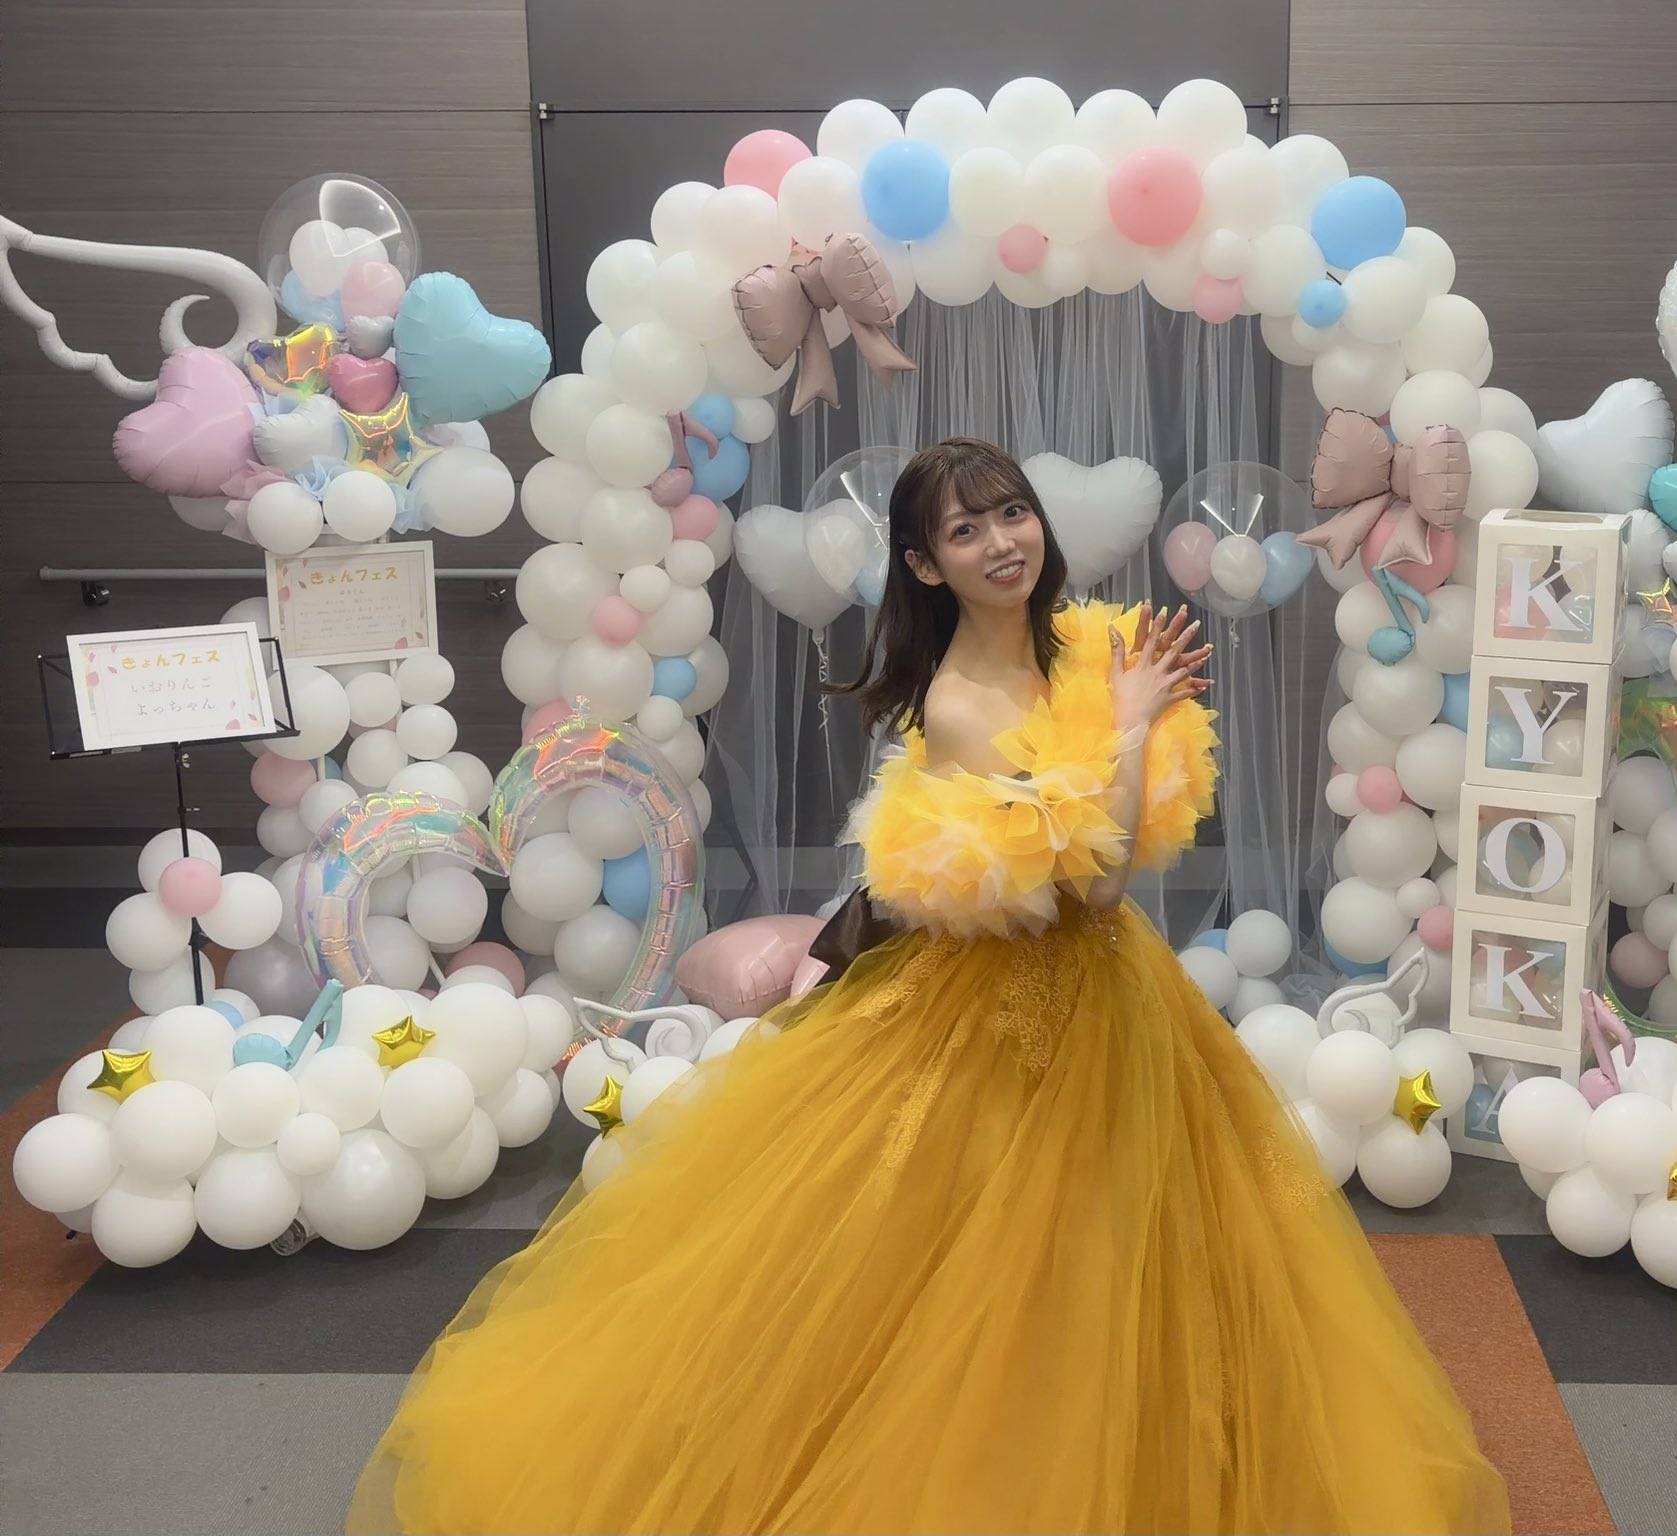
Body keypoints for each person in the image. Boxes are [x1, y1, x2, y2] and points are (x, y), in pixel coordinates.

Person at [349, 438, 1509, 1535]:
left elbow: (1127, 834)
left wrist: (1135, 712)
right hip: (996, 1000)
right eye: (965, 530)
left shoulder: (1080, 645)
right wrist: (1127, 725)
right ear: (922, 564)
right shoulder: (958, 702)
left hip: (1109, 990)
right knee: (973, 1241)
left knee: (1126, 1230)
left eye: (1011, 513)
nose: (1001, 541)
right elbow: (1091, 885)